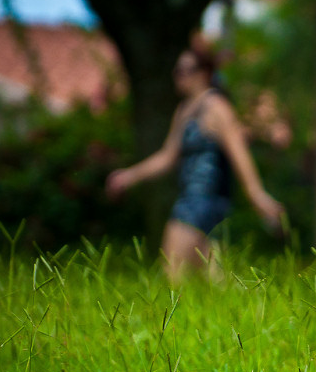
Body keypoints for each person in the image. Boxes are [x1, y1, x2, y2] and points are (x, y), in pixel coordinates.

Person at [106, 46, 285, 280]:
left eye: (184, 70)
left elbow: (239, 154)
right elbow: (167, 157)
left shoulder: (216, 107)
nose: (177, 76)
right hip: (193, 199)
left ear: (203, 73)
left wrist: (256, 195)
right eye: (176, 71)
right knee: (214, 281)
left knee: (173, 276)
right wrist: (129, 176)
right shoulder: (185, 110)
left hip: (203, 201)